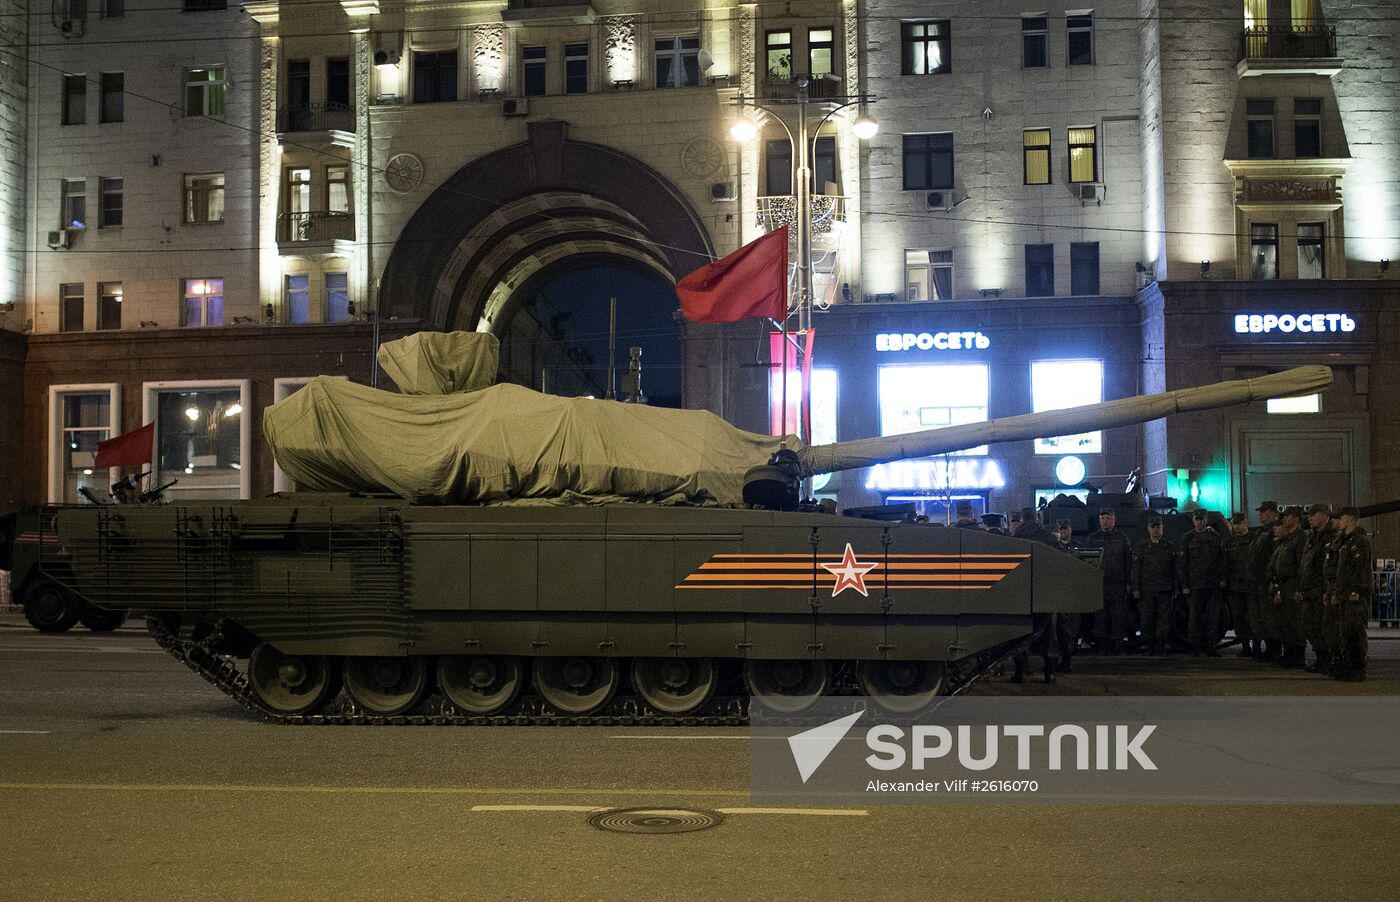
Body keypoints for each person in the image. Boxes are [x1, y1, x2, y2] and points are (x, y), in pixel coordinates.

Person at [1330, 507, 1371, 682]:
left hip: (1354, 595)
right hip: (1344, 594)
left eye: (1341, 518)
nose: (1338, 521)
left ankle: (1358, 668)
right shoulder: (1346, 541)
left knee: (1355, 632)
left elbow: (1360, 568)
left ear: (1350, 519)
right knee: (1345, 632)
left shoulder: (1359, 540)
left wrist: (1355, 590)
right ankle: (1349, 665)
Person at [1084, 509, 1133, 654]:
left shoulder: (1122, 538)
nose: (1105, 520)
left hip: (1118, 582)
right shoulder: (1092, 539)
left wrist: (1129, 582)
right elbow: (1087, 561)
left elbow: (1128, 561)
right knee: (1101, 615)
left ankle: (1118, 645)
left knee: (1118, 614)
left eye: (1108, 518)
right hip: (1100, 582)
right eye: (1103, 518)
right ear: (1099, 520)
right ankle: (1102, 645)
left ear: (1114, 519)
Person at [1178, 510, 1224, 656]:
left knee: (1213, 617)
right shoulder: (1187, 538)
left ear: (1206, 520)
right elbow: (1182, 564)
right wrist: (1184, 585)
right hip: (1195, 585)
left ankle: (1210, 645)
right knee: (1194, 617)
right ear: (1193, 520)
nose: (1199, 522)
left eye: (1202, 519)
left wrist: (1223, 578)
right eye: (1196, 519)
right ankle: (1195, 646)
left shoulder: (1215, 537)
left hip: (1213, 584)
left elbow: (1222, 560)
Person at [1297, 503, 1336, 674]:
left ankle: (1329, 659)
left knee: (1324, 627)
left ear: (1324, 515)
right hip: (1309, 588)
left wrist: (1328, 590)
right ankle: (1321, 658)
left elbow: (1331, 566)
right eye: (1309, 515)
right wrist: (1301, 586)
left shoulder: (1332, 537)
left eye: (1313, 515)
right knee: (1309, 626)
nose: (1309, 518)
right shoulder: (1312, 537)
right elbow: (1305, 564)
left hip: (1321, 589)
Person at [1267, 506, 1308, 668]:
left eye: (1287, 516)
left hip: (1292, 583)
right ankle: (1289, 653)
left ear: (1296, 518)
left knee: (1294, 621)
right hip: (1283, 584)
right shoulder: (1287, 539)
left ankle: (1298, 656)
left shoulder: (1300, 538)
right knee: (1285, 622)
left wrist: (1299, 588)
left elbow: (1301, 566)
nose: (1283, 519)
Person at [1131, 516, 1178, 655]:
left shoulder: (1169, 547)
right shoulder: (1141, 547)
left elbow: (1175, 569)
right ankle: (1149, 645)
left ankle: (1161, 644)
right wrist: (1136, 588)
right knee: (1147, 618)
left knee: (1164, 618)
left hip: (1165, 588)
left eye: (1158, 527)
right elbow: (1136, 568)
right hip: (1147, 589)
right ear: (1148, 529)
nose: (1156, 530)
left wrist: (1175, 587)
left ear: (1162, 528)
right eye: (1153, 527)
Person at [1249, 501, 1282, 661]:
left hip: (1266, 582)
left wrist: (1273, 582)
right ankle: (1269, 648)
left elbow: (1275, 559)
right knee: (1261, 617)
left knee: (1271, 618)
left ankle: (1274, 650)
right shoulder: (1262, 532)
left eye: (1262, 512)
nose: (1260, 515)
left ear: (1271, 513)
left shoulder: (1275, 532)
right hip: (1258, 581)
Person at [1221, 513, 1257, 656]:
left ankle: (1256, 646)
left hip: (1251, 585)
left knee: (1253, 617)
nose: (1236, 526)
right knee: (1239, 617)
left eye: (1239, 523)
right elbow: (1225, 564)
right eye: (1234, 524)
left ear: (1245, 522)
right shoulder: (1229, 543)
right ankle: (1245, 646)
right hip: (1235, 586)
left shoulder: (1254, 539)